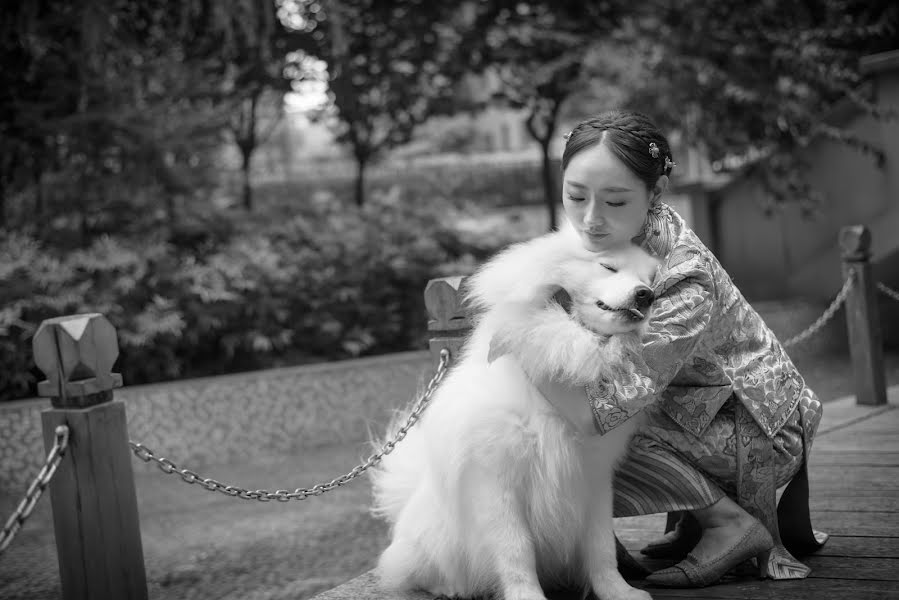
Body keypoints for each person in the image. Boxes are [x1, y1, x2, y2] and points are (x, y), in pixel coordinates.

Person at [535, 110, 827, 588]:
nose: (590, 218)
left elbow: (598, 411)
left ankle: (728, 524)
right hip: (702, 411)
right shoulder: (619, 238)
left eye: (614, 200)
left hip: (759, 433)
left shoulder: (680, 279)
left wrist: (520, 350)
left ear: (655, 195)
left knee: (570, 437)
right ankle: (676, 520)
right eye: (575, 196)